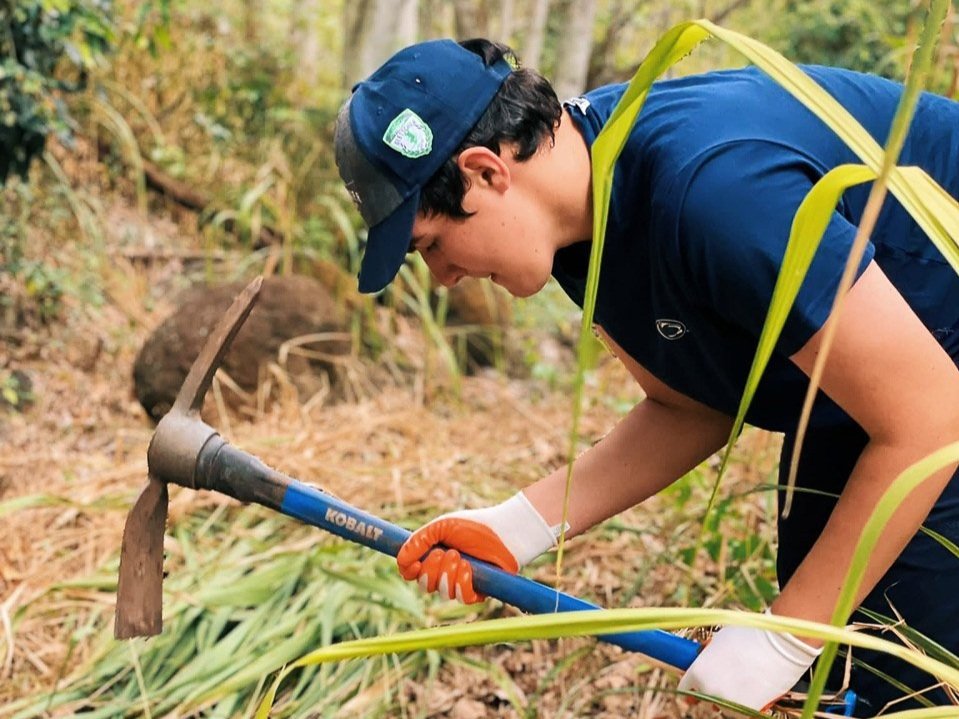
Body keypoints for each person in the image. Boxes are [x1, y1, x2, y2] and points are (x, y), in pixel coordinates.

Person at [333, 37, 959, 716]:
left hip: (933, 380)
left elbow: (929, 419)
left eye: (430, 244)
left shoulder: (713, 191)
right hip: (874, 385)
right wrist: (517, 525)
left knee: (910, 670)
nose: (443, 276)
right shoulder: (584, 221)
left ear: (485, 172)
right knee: (845, 659)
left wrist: (789, 633)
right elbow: (691, 403)